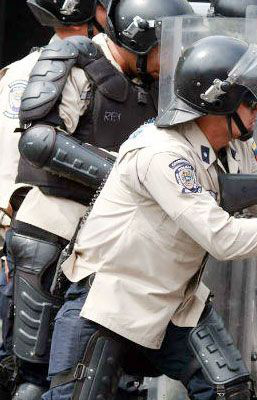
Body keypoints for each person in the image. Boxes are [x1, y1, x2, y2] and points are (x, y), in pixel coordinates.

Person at [42, 34, 257, 400]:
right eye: (251, 100)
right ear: (220, 100)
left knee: (231, 392)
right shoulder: (163, 153)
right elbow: (223, 239)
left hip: (175, 301)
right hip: (111, 298)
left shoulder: (235, 145)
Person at [4, 0, 194, 397]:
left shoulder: (158, 85)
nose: (173, 56)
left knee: (103, 376)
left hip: (115, 248)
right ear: (141, 40)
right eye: (165, 45)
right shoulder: (76, 62)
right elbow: (40, 141)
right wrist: (130, 176)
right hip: (53, 234)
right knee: (38, 378)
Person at [0, 1, 111, 397]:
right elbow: (14, 159)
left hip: (77, 235)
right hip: (37, 228)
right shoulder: (32, 73)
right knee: (30, 368)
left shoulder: (99, 67)